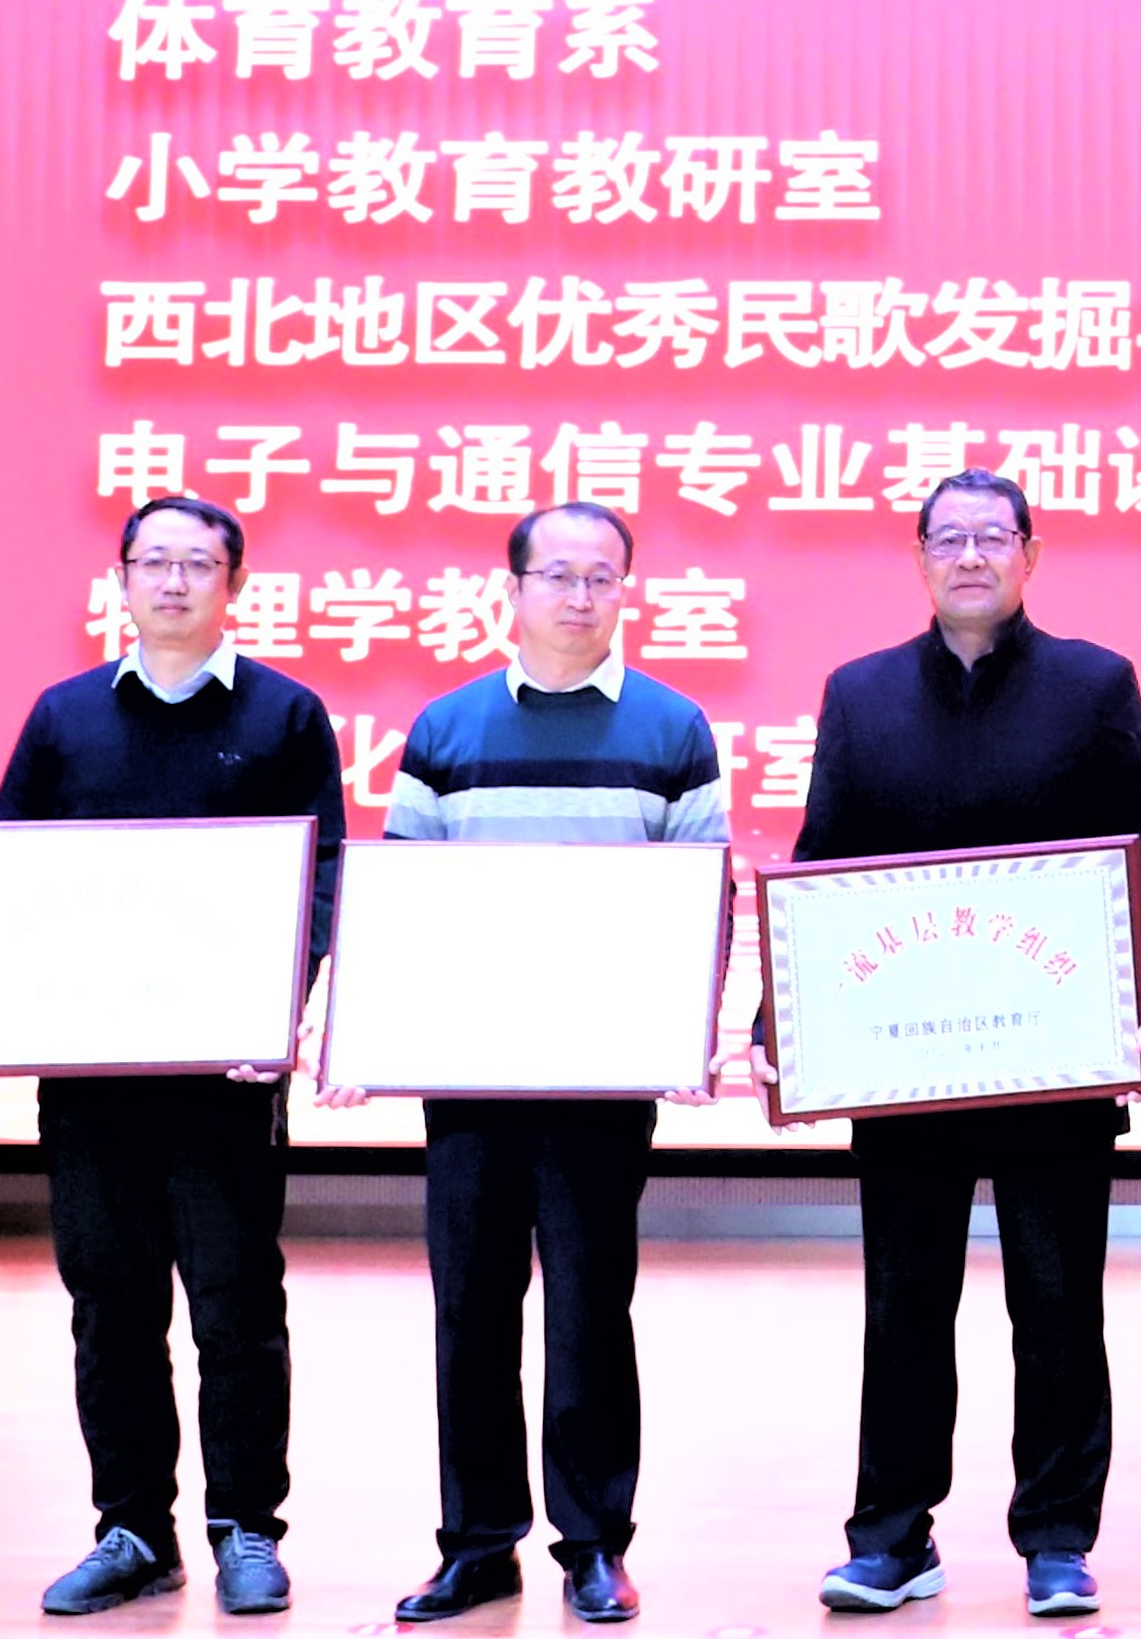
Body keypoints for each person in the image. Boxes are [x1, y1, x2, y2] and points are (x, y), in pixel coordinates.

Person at [785, 470, 1141, 1622]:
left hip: (1056, 1055)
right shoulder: (860, 693)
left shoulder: (1094, 683)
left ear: (1030, 554)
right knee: (905, 1307)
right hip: (904, 1057)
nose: (968, 556)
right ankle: (892, 1536)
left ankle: (1056, 1537)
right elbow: (821, 859)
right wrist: (783, 1022)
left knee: (1058, 1305)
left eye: (991, 536)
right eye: (946, 537)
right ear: (918, 556)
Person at [0, 494, 348, 1620]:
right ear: (122, 578)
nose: (174, 581)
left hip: (225, 1077)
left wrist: (278, 1008)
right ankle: (134, 1527)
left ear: (235, 583)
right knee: (111, 1305)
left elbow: (323, 877)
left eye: (197, 563)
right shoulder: (65, 715)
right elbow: (5, 874)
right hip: (91, 1075)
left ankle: (247, 1528)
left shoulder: (285, 714)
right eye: (154, 561)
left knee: (237, 1306)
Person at [369, 502, 731, 1629]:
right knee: (471, 1310)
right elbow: (403, 905)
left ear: (626, 589)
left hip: (601, 1079)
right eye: (558, 575)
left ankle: (594, 1543)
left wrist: (682, 1034)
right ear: (513, 587)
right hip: (470, 1076)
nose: (580, 595)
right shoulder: (445, 726)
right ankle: (478, 1543)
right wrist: (377, 1035)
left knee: (588, 1310)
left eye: (602, 576)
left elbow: (702, 902)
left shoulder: (674, 727)